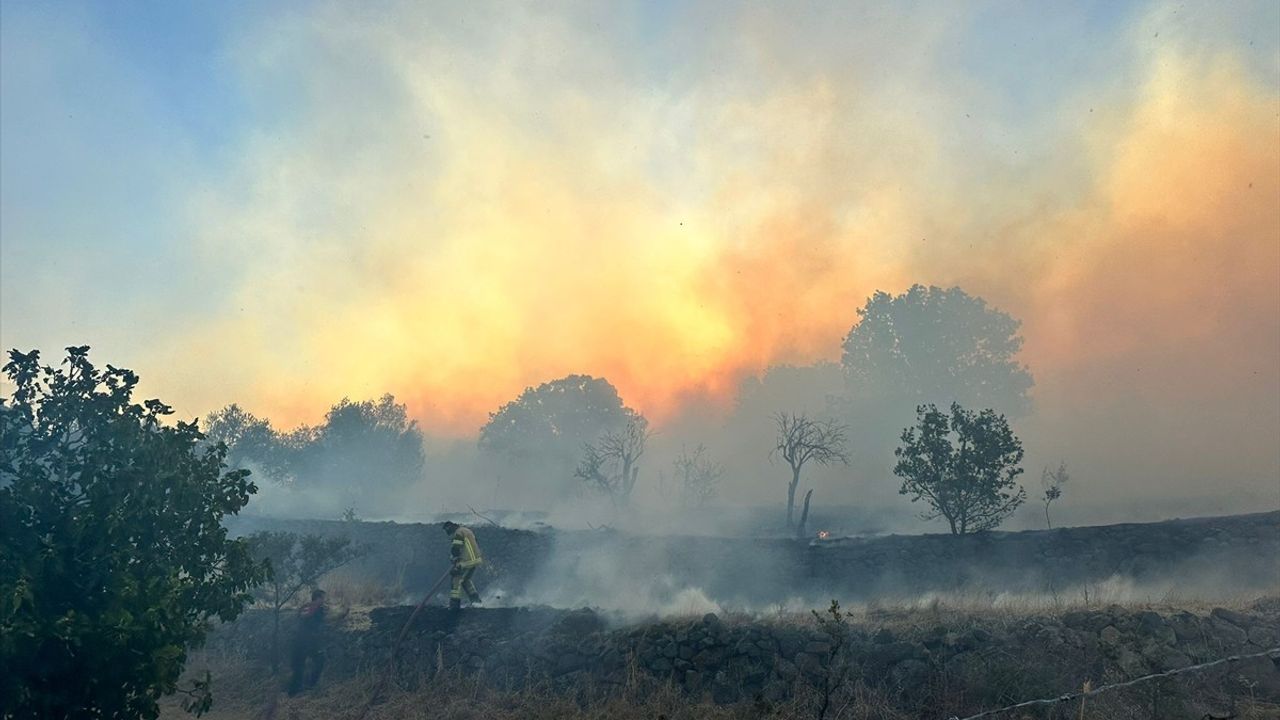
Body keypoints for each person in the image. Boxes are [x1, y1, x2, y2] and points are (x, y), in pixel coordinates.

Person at [287, 589, 328, 696]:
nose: (324, 600)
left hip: (299, 641)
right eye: (323, 598)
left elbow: (299, 617)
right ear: (318, 598)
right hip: (308, 642)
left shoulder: (306, 607)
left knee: (298, 667)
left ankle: (294, 691)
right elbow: (319, 622)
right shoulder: (318, 609)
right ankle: (309, 685)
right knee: (320, 660)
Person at [441, 521, 483, 611]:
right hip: (475, 560)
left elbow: (456, 548)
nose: (447, 531)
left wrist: (454, 558)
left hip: (466, 562)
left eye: (447, 528)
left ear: (451, 526)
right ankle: (476, 602)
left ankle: (454, 605)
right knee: (466, 580)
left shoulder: (458, 533)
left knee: (456, 579)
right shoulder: (467, 530)